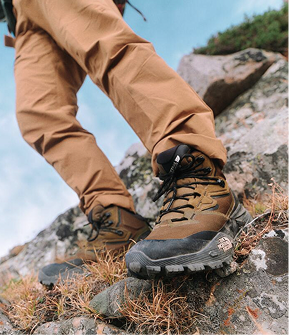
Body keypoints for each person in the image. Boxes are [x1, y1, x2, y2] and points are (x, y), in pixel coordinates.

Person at [1, 0, 251, 285]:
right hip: (21, 17)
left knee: (106, 47)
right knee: (38, 114)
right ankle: (118, 222)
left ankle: (198, 172)